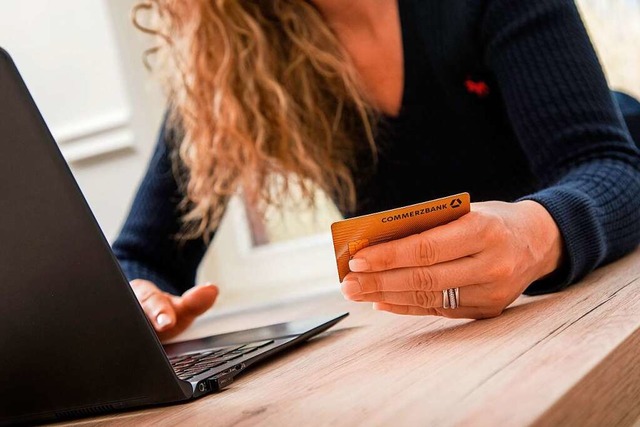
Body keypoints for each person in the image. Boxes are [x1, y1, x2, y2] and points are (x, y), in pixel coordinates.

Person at [114, 0, 640, 340]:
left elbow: (611, 167)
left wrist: (534, 235)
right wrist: (137, 299)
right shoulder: (231, 57)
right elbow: (141, 257)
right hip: (460, 340)